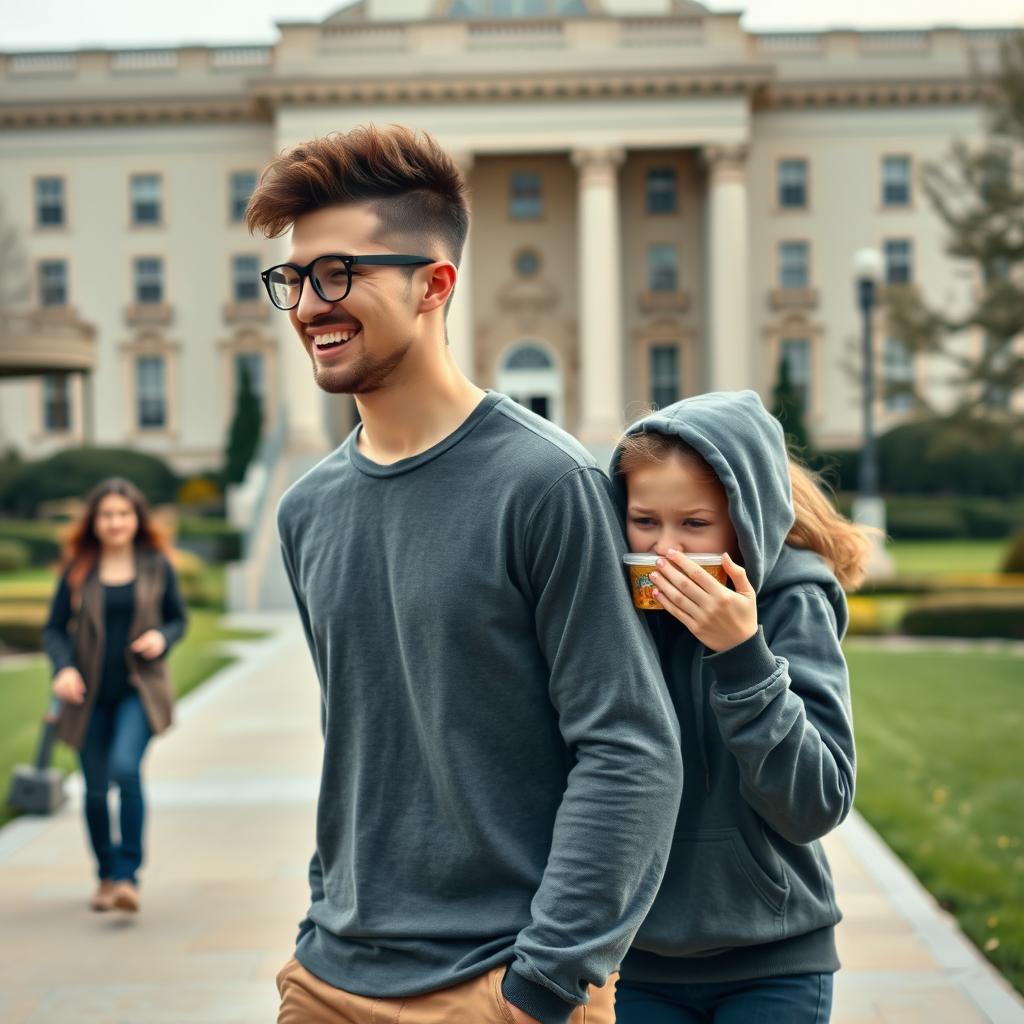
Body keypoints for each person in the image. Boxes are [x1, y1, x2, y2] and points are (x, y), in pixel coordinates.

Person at [245, 124, 684, 1024]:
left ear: (433, 284)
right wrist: (319, 923)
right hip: (330, 977)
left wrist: (543, 986)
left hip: (499, 984)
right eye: (294, 279)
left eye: (339, 275)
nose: (307, 305)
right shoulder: (307, 510)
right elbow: (364, 740)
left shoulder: (546, 485)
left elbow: (632, 748)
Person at [609, 390, 866, 1024]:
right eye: (645, 521)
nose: (666, 550)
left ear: (744, 520)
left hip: (773, 959)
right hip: (636, 961)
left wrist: (743, 655)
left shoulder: (791, 601)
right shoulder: (609, 603)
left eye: (695, 525)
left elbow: (815, 803)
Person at [42, 477, 188, 914]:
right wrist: (63, 668)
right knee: (92, 790)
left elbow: (178, 620)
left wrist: (162, 637)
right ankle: (105, 875)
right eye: (106, 514)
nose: (115, 522)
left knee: (126, 770)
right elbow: (53, 629)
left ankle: (128, 877)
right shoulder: (78, 569)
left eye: (123, 514)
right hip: (86, 695)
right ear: (95, 521)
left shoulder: (156, 566)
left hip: (138, 692)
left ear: (136, 519)